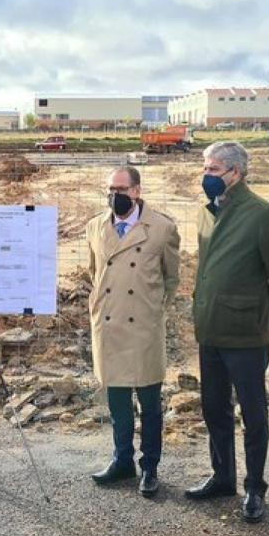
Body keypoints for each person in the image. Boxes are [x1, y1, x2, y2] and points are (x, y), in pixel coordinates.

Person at [185, 141, 269, 523]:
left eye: (214, 170)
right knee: (213, 407)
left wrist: (268, 315)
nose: (206, 176)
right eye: (205, 168)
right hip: (211, 330)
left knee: (253, 414)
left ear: (236, 173)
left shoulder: (263, 215)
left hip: (247, 333)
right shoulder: (206, 213)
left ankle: (255, 487)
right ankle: (222, 477)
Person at [85, 166, 181, 498]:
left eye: (122, 188)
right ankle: (122, 460)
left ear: (137, 191)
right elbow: (94, 272)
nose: (115, 195)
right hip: (110, 327)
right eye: (110, 188)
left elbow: (171, 279)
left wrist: (154, 311)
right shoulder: (94, 226)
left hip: (143, 328)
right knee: (118, 402)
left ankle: (150, 467)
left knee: (150, 404)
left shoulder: (163, 228)